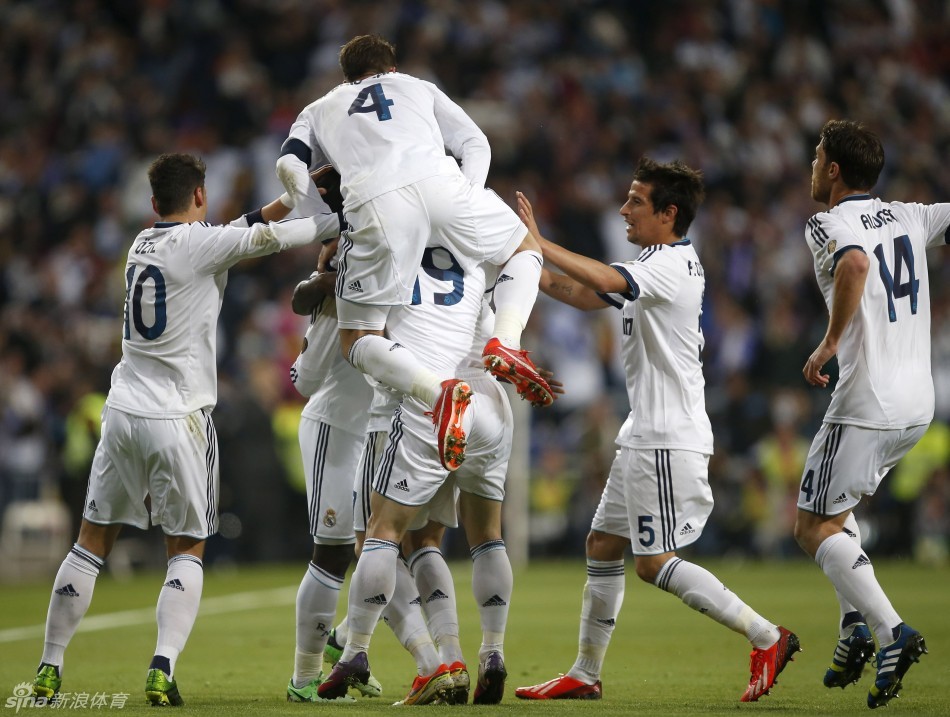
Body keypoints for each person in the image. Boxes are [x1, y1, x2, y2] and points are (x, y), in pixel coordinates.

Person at [29, 153, 341, 706]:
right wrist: (338, 217)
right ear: (200, 195)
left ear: (154, 203)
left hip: (122, 412)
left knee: (90, 543)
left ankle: (49, 667)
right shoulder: (201, 245)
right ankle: (162, 667)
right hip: (178, 417)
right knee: (186, 548)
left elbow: (239, 228)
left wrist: (285, 201)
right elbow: (270, 237)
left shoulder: (140, 245)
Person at [513, 158, 799, 703]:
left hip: (668, 437)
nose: (624, 210)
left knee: (652, 563)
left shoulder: (671, 265)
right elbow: (576, 291)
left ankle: (767, 636)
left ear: (668, 214)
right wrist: (520, 260)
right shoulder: (651, 262)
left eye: (636, 201)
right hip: (644, 434)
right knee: (602, 544)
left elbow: (602, 279)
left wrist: (540, 241)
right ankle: (585, 673)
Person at [275, 33, 553, 473]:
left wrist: (327, 227)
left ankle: (438, 395)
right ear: (392, 68)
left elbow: (289, 167)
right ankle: (507, 341)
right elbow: (476, 142)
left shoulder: (319, 108)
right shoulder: (417, 85)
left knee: (358, 339)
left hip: (377, 205)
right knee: (525, 250)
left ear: (345, 77)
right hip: (443, 184)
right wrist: (464, 199)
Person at [317, 251, 536, 704]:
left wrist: (330, 257)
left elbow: (350, 335)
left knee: (377, 537)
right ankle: (487, 653)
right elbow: (528, 254)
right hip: (488, 398)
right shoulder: (475, 230)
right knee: (472, 538)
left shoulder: (387, 237)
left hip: (419, 402)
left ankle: (373, 653)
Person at [794, 119, 940, 709]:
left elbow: (854, 264)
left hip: (866, 398)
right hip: (918, 404)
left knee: (811, 527)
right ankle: (853, 627)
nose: (811, 165)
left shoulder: (827, 222)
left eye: (816, 156)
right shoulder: (910, 215)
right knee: (839, 510)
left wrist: (829, 343)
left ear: (833, 170)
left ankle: (890, 631)